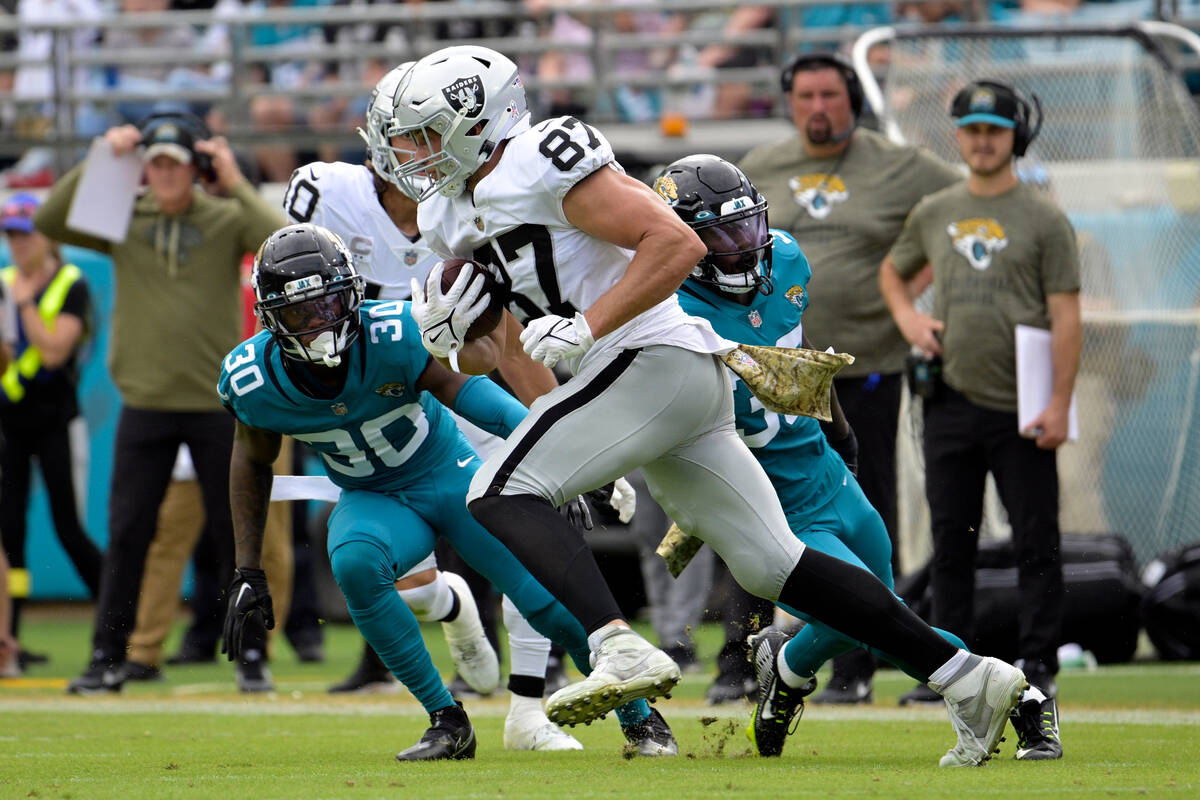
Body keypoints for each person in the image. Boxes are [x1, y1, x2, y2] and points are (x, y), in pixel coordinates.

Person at [389, 45, 1027, 767]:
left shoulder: (541, 156)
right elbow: (504, 353)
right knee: (773, 564)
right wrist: (453, 342)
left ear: (480, 120)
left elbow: (676, 241)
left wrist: (589, 325)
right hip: (642, 386)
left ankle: (616, 645)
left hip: (651, 359)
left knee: (497, 489)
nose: (412, 151)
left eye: (424, 131)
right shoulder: (446, 212)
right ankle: (968, 676)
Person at [221, 223, 675, 759]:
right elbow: (250, 462)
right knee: (355, 563)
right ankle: (447, 720)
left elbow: (472, 394)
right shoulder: (254, 380)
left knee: (548, 603)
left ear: (352, 294)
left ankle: (642, 719)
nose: (319, 324)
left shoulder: (394, 333)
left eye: (328, 305)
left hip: (447, 473)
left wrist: (558, 456)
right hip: (372, 496)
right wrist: (248, 568)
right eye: (300, 314)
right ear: (272, 318)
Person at [654, 153, 979, 759]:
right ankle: (1005, 690)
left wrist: (840, 430)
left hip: (821, 468)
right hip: (761, 496)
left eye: (747, 225)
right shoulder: (666, 314)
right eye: (721, 236)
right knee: (880, 616)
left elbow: (798, 362)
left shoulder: (788, 257)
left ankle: (786, 667)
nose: (744, 247)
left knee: (874, 609)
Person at [282, 62, 574, 716]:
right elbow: (287, 300)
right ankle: (448, 605)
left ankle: (533, 698)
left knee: (521, 536)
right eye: (402, 135)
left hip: (457, 395)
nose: (411, 150)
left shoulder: (477, 207)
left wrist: (555, 420)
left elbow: (510, 336)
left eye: (422, 134)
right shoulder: (327, 196)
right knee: (400, 578)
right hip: (378, 412)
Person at [34, 111, 285, 694]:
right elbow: (50, 218)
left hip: (216, 405)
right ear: (144, 170)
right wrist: (102, 157)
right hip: (144, 404)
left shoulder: (224, 218)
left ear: (193, 168)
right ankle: (107, 656)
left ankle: (252, 657)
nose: (166, 175)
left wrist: (233, 179)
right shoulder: (123, 219)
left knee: (235, 537)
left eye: (175, 164)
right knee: (128, 533)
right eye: (156, 165)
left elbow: (277, 241)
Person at [739, 52, 962, 703]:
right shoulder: (761, 165)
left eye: (830, 95)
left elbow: (966, 203)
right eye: (804, 94)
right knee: (753, 510)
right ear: (788, 101)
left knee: (869, 511)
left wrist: (907, 293)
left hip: (864, 366)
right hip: (772, 377)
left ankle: (855, 668)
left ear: (853, 101)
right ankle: (743, 659)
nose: (817, 107)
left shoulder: (898, 164)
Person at [879, 78, 1077, 760]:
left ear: (1013, 137)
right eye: (972, 129)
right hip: (949, 401)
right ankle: (951, 667)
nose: (983, 140)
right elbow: (894, 273)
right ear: (958, 136)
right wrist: (911, 319)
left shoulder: (1045, 217)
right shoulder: (936, 210)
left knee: (1035, 539)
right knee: (951, 540)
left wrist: (1059, 404)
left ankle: (1039, 662)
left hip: (1023, 402)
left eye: (994, 129)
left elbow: (1067, 314)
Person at [0, 192, 102, 658]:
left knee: (67, 526)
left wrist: (22, 307)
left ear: (45, 235)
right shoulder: (4, 281)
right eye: (11, 235)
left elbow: (55, 351)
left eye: (24, 233)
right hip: (10, 425)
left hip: (58, 422)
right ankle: (11, 638)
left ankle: (117, 623)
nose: (17, 244)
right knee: (10, 532)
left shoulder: (70, 283)